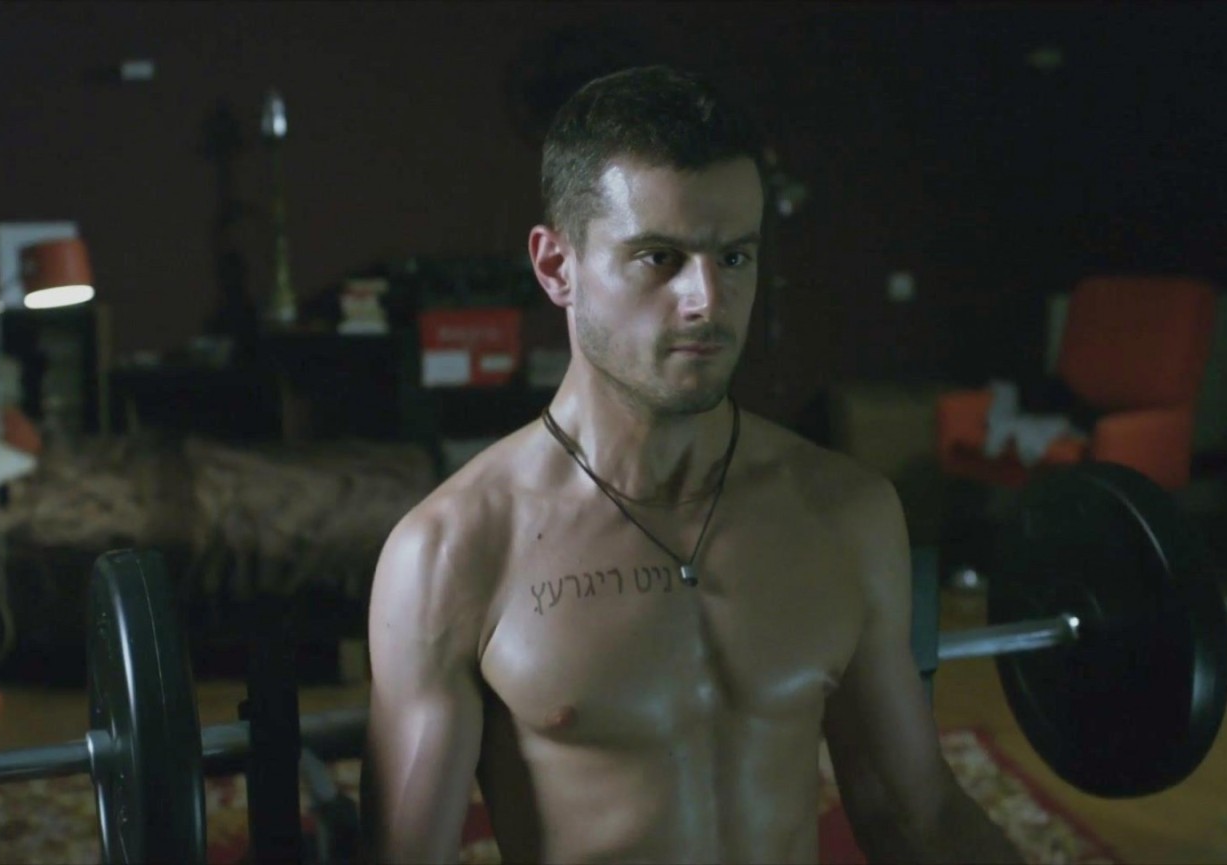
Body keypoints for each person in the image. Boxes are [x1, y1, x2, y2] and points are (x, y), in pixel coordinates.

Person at [361, 65, 1022, 864]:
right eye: (659, 257)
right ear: (557, 267)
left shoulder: (845, 512)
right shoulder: (453, 550)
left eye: (734, 257)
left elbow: (918, 817)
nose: (707, 300)